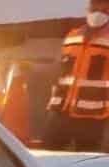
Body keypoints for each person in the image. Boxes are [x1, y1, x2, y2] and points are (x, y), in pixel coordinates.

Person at [46, 0, 109, 150]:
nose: (98, 11)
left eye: (105, 8)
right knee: (49, 157)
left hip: (92, 116)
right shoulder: (72, 35)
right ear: (89, 8)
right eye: (95, 7)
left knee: (84, 162)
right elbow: (61, 71)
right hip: (61, 111)